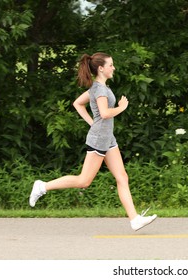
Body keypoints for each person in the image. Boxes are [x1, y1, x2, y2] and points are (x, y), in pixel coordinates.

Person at [29, 52, 157, 231]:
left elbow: (78, 103)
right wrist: (121, 108)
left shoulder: (98, 87)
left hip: (107, 138)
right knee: (84, 181)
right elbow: (104, 113)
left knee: (122, 177)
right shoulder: (100, 89)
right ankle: (42, 186)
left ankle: (134, 219)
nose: (114, 68)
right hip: (99, 140)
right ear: (101, 68)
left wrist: (92, 123)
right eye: (111, 65)